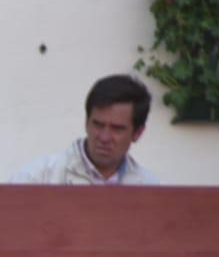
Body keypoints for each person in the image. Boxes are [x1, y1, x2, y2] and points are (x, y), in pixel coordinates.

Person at [11, 75, 160, 185]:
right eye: (98, 125)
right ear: (86, 123)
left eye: (117, 129)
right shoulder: (39, 177)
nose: (104, 137)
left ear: (138, 133)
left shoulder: (150, 188)